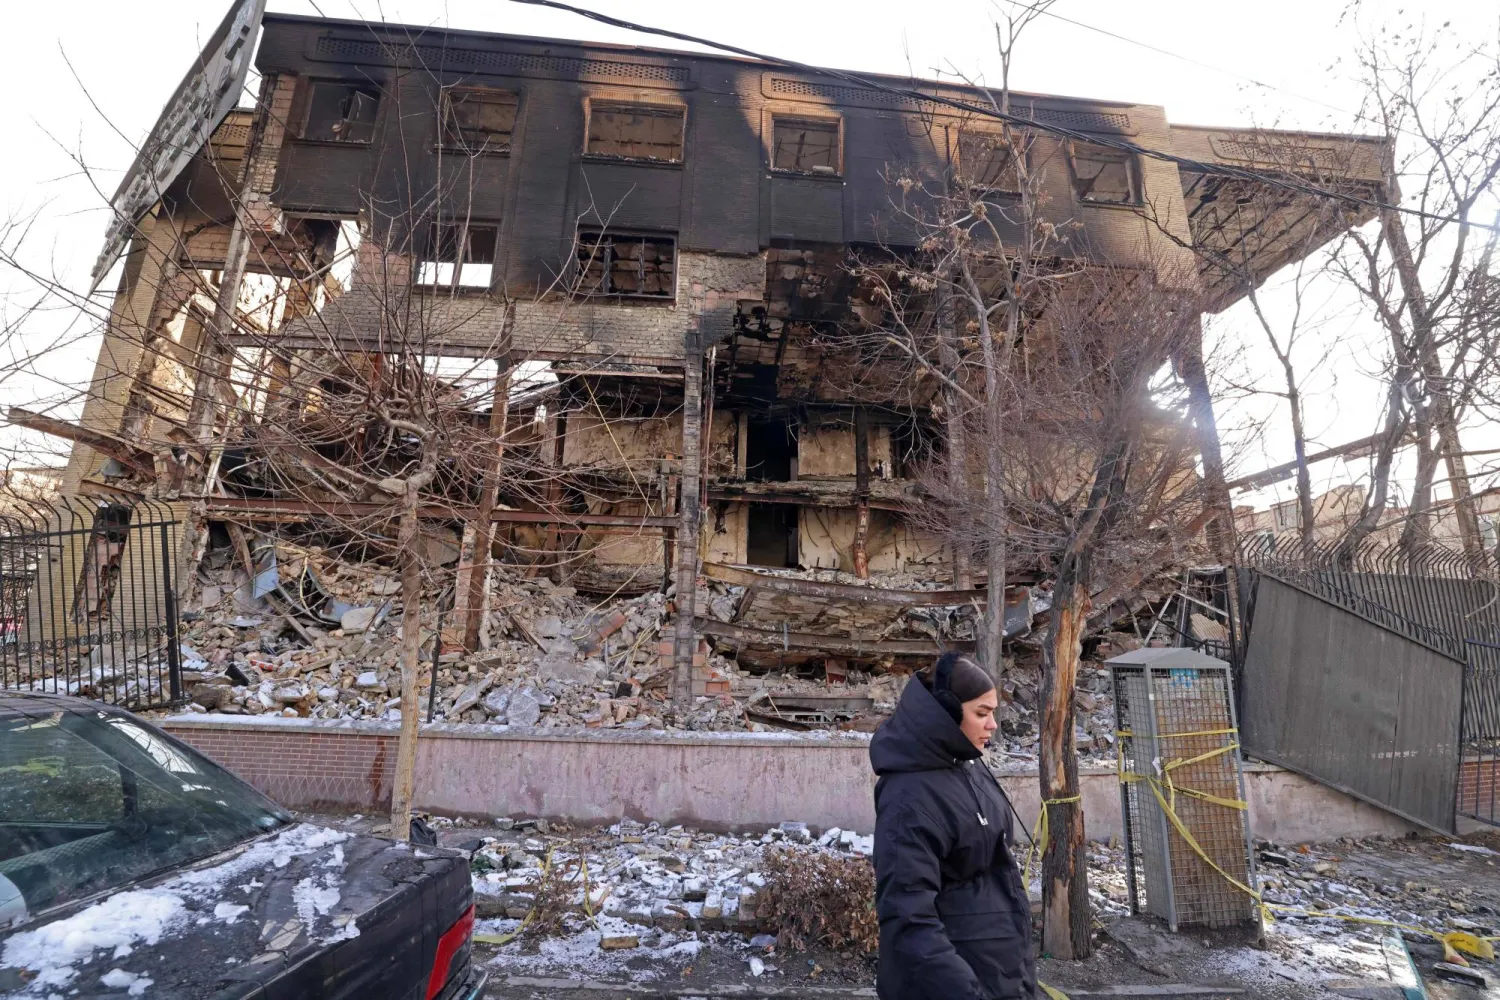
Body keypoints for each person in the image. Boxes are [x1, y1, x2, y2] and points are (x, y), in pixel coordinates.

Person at [870, 651, 1035, 1000]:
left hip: (998, 972)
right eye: (982, 713)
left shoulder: (966, 765)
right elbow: (908, 916)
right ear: (945, 712)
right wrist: (965, 990)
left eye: (993, 713)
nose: (993, 725)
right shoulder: (908, 798)